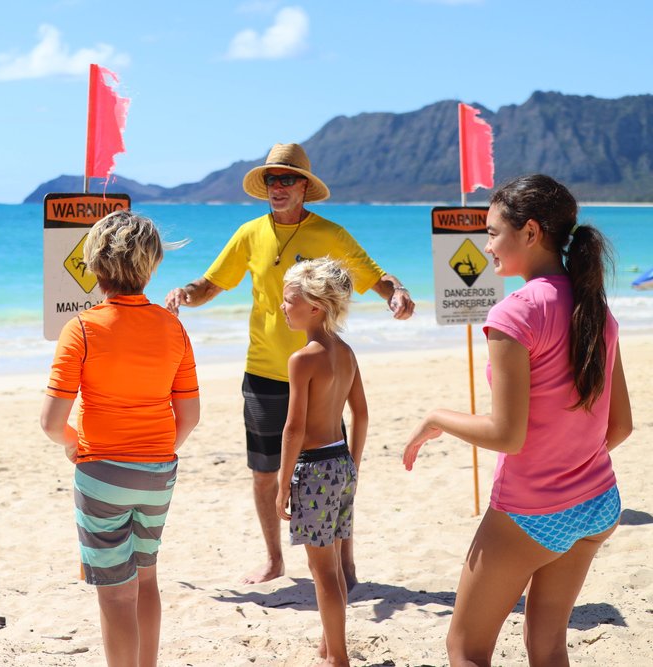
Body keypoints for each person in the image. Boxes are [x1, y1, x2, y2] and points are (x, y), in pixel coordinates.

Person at [402, 174, 633, 666]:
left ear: (529, 232)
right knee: (547, 646)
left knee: (466, 648)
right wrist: (569, 461)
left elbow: (507, 434)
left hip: (532, 510)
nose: (486, 246)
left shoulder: (516, 313)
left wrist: (437, 416)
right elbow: (619, 427)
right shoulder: (594, 303)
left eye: (491, 232)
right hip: (596, 504)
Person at [165, 142, 414, 585]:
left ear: (304, 187)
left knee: (332, 473)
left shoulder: (331, 236)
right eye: (271, 181)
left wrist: (397, 293)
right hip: (263, 372)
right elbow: (210, 283)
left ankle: (344, 559)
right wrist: (184, 293)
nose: (276, 188)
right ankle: (274, 559)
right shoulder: (248, 234)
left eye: (286, 180)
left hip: (318, 372)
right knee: (264, 475)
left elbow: (377, 277)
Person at [40, 210, 200, 667]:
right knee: (146, 579)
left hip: (102, 471)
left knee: (114, 595)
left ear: (93, 265)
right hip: (158, 471)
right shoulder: (174, 328)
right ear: (152, 266)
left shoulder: (83, 329)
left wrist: (74, 443)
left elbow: (52, 422)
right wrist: (156, 451)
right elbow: (189, 415)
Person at [276, 258, 367, 667]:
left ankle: (338, 657)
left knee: (322, 571)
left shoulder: (303, 359)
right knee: (331, 563)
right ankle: (331, 645)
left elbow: (293, 429)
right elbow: (360, 414)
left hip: (312, 469)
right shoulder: (345, 352)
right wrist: (355, 463)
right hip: (340, 463)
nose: (283, 307)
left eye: (289, 300)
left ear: (315, 306)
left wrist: (281, 487)